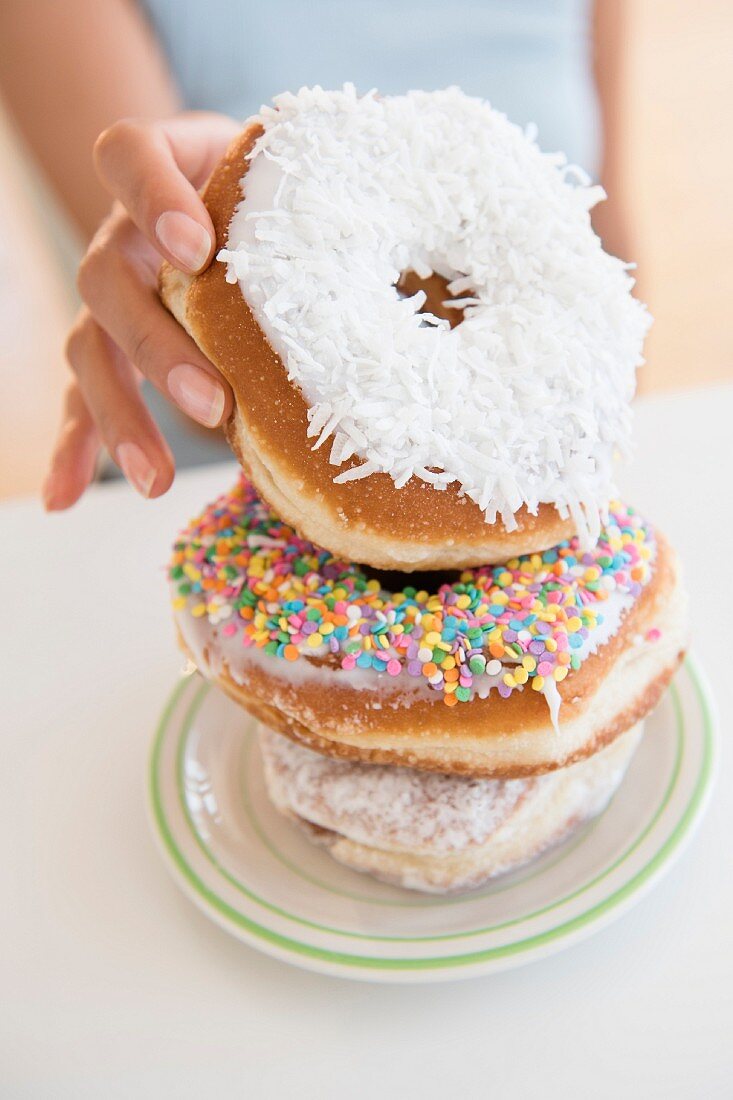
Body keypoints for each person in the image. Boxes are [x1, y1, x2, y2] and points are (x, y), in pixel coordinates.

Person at [0, 0, 629, 509]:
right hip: (188, 503)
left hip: (546, 511)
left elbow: (605, 236)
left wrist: (588, 433)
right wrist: (219, 224)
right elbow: (203, 374)